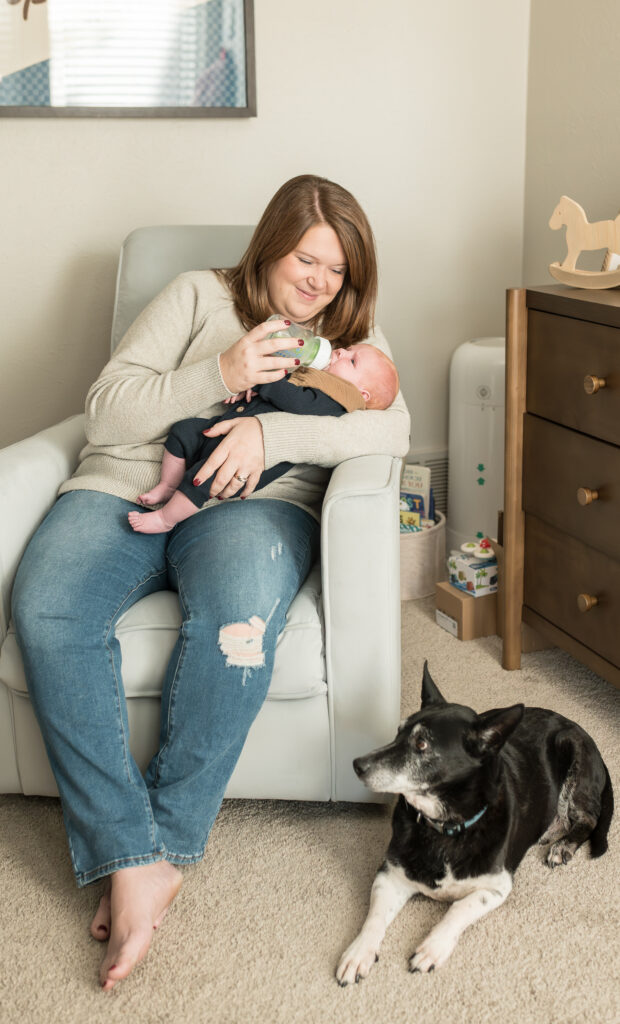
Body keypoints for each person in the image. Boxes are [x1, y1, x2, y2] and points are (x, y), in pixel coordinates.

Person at [11, 174, 410, 991]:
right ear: (270, 245)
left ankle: (153, 847)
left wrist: (271, 429)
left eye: (338, 271)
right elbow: (106, 411)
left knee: (236, 625)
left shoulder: (347, 337)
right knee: (47, 611)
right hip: (123, 486)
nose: (319, 284)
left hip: (254, 509)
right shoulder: (195, 295)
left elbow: (393, 422)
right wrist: (219, 369)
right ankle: (134, 857)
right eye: (307, 259)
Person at [128, 343, 399, 534]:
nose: (342, 351)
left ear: (362, 394)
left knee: (204, 477)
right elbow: (286, 392)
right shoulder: (318, 378)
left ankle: (166, 518)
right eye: (348, 348)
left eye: (352, 360)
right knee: (183, 431)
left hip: (244, 460)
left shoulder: (338, 397)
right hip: (225, 426)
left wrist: (259, 381)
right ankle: (167, 484)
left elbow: (296, 402)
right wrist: (248, 388)